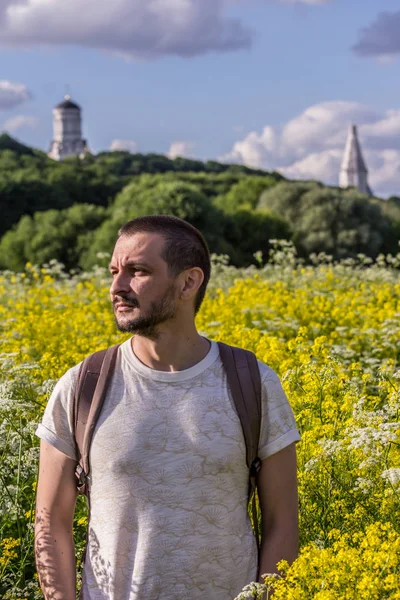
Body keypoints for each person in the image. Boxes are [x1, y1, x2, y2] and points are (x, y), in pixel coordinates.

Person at [35, 215, 300, 600]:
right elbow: (50, 522)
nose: (117, 287)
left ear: (189, 282)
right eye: (114, 271)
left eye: (137, 270)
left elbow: (282, 525)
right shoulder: (83, 385)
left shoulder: (254, 383)